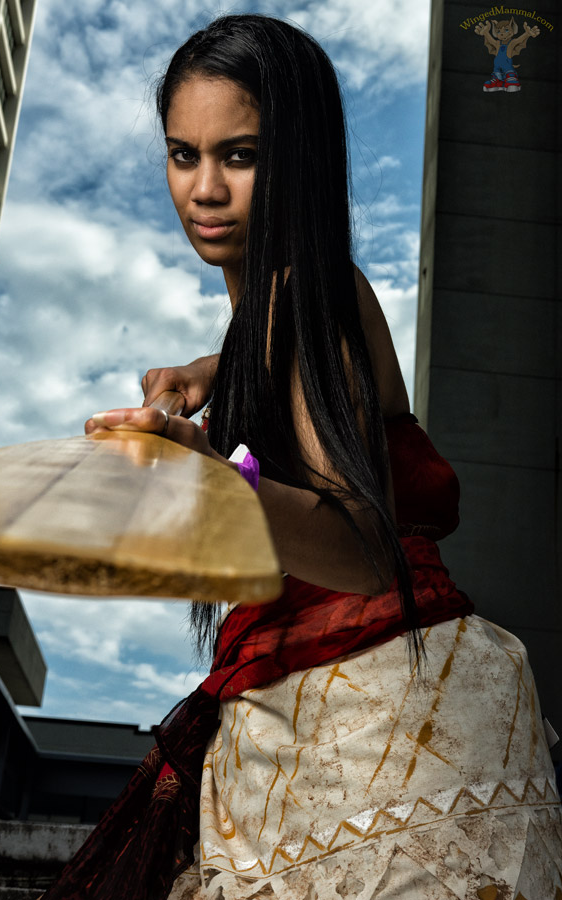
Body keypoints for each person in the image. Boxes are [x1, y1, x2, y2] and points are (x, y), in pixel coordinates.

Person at [44, 14, 562, 900]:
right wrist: (210, 371)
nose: (203, 190)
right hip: (337, 720)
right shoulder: (281, 310)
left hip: (381, 732)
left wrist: (208, 479)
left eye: (237, 156)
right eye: (182, 154)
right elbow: (289, 371)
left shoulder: (303, 291)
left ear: (298, 159)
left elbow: (363, 551)